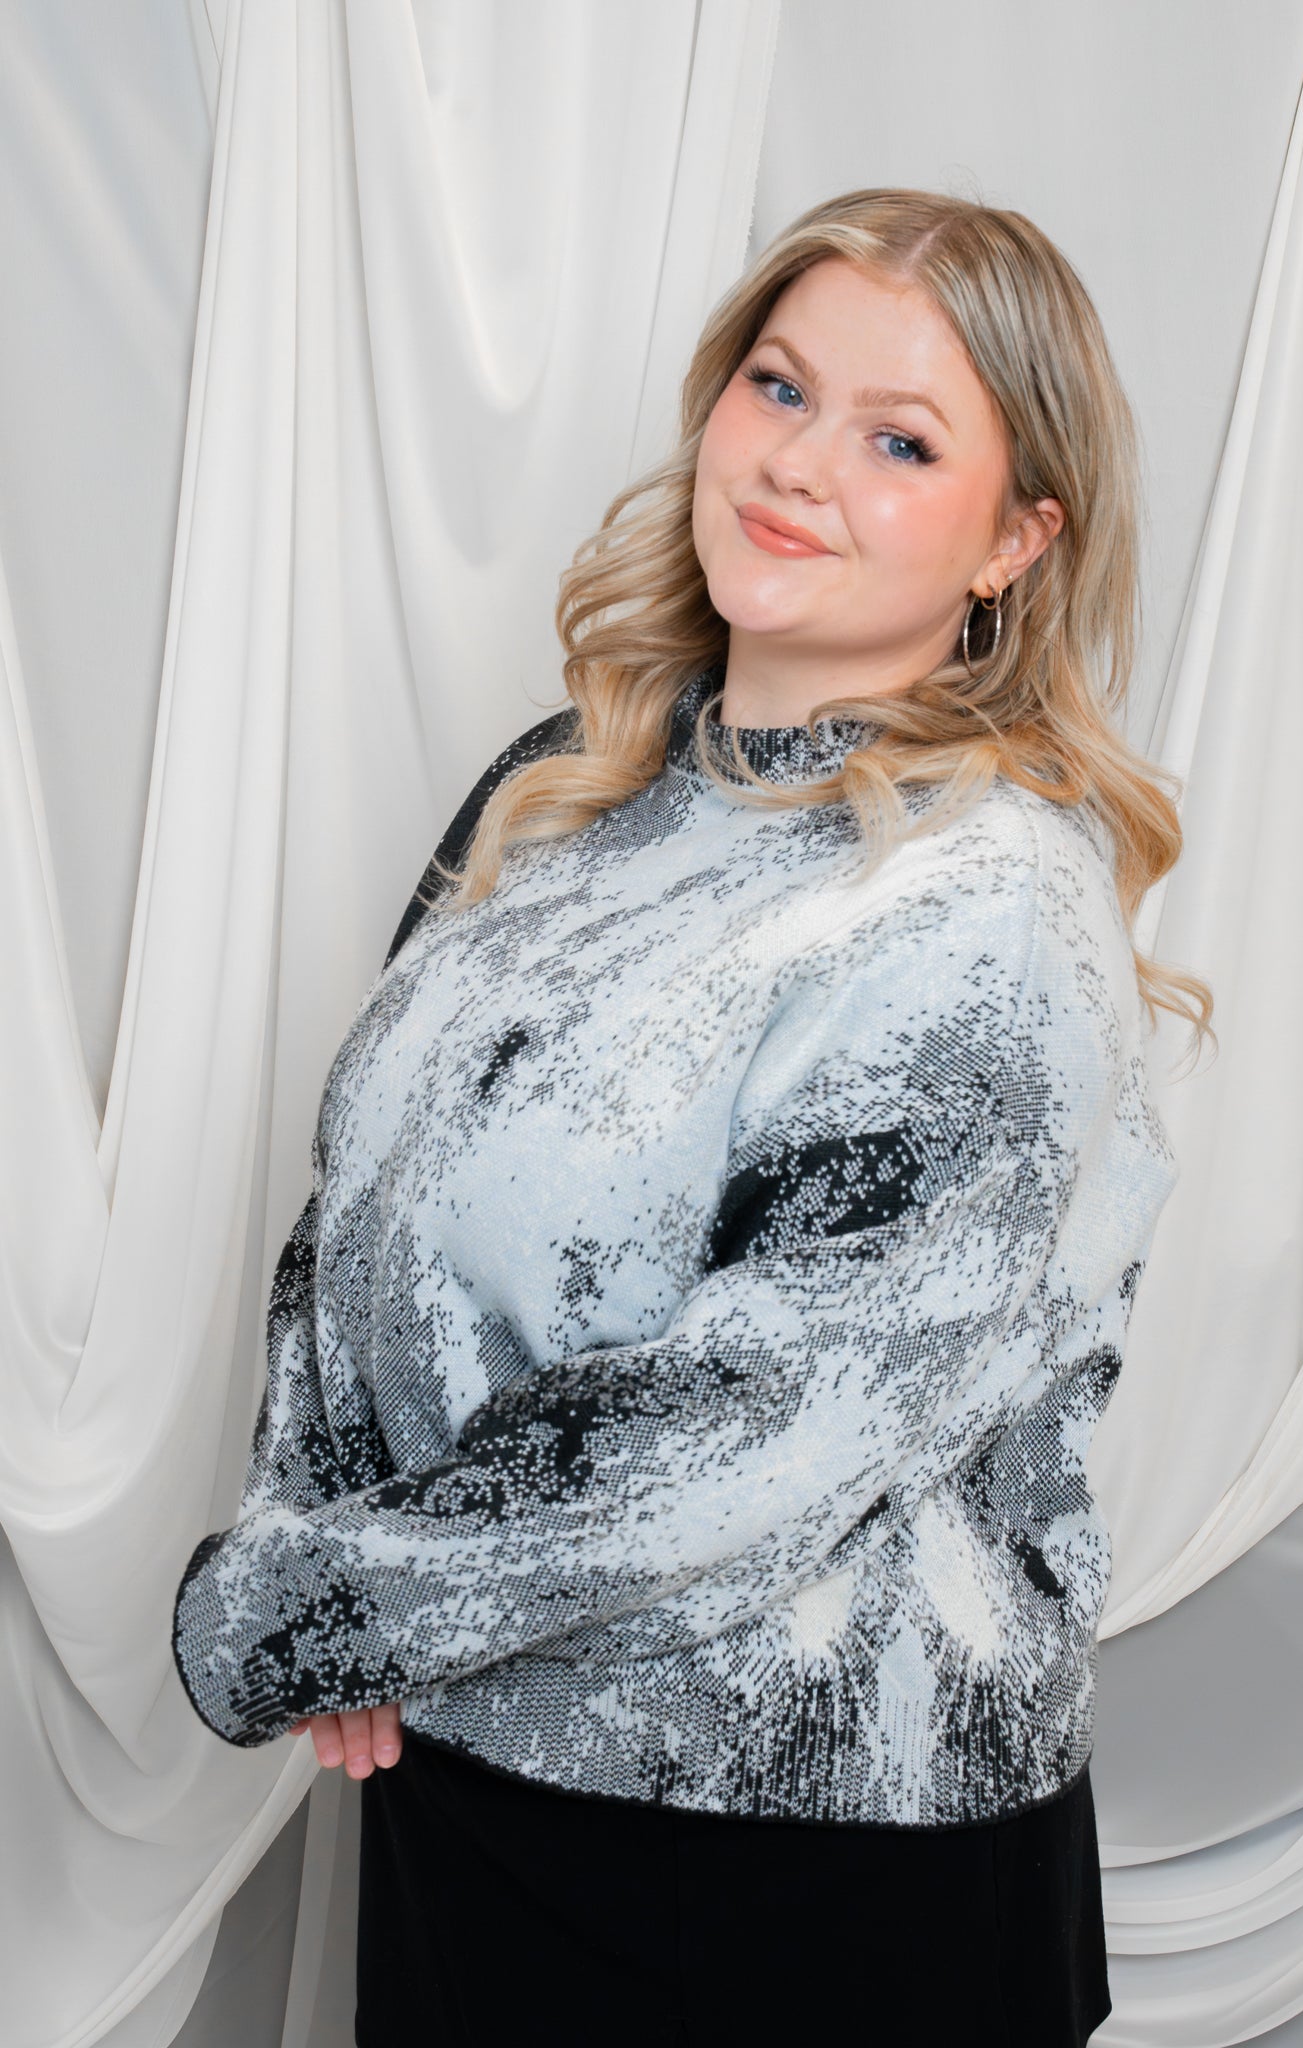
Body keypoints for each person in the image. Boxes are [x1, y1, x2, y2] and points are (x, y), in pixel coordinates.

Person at [172, 187, 1213, 2046]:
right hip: (475, 1778)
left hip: (809, 1869)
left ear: (1016, 540)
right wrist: (320, 1544)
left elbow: (760, 1420)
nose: (801, 464)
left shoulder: (991, 899)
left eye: (902, 441)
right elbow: (365, 1203)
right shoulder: (566, 786)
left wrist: (319, 1605)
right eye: (779, 388)